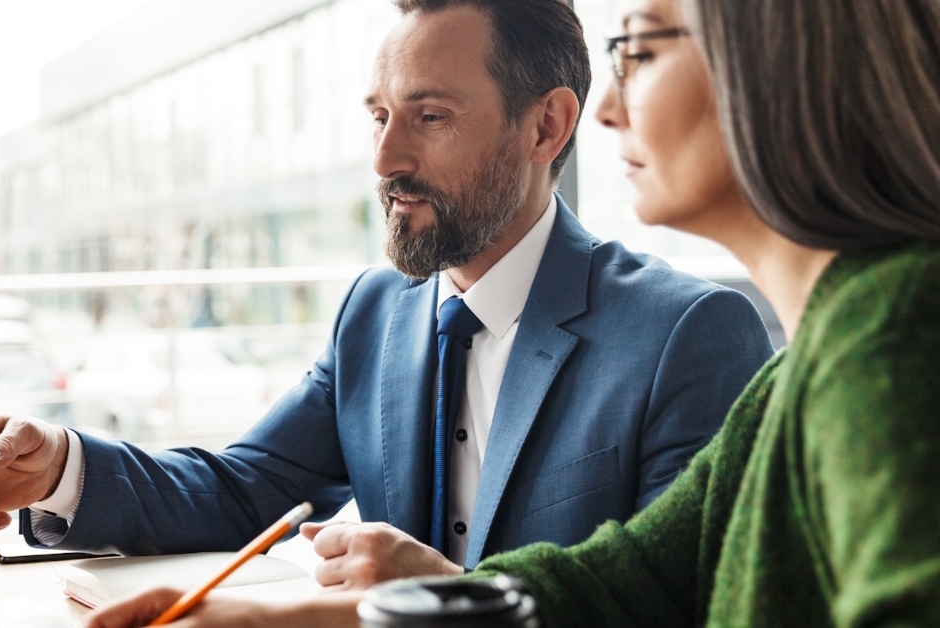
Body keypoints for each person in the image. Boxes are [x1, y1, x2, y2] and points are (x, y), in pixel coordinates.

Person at [83, 0, 940, 623]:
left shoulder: (892, 336)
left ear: (774, 55)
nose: (609, 108)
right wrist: (276, 621)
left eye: (639, 51)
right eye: (381, 116)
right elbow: (622, 584)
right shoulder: (805, 368)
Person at [0, 0, 771, 595]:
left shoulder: (686, 334)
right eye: (378, 116)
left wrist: (450, 604)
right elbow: (247, 489)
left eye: (429, 117)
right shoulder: (375, 314)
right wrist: (61, 465)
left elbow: (688, 605)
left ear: (548, 125)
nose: (385, 162)